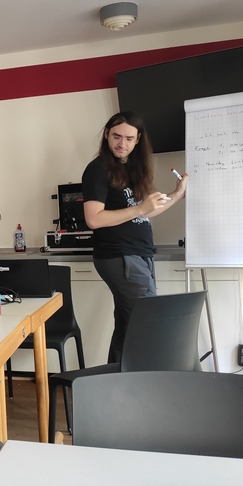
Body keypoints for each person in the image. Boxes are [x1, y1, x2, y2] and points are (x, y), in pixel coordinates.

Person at [82, 112, 187, 363]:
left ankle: (113, 381)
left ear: (138, 139)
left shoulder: (132, 169)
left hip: (139, 255)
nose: (122, 143)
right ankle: (148, 383)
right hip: (120, 256)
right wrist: (140, 208)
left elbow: (149, 210)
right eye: (116, 136)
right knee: (149, 324)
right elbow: (94, 219)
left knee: (127, 328)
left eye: (129, 139)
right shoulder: (97, 169)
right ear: (106, 134)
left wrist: (178, 193)